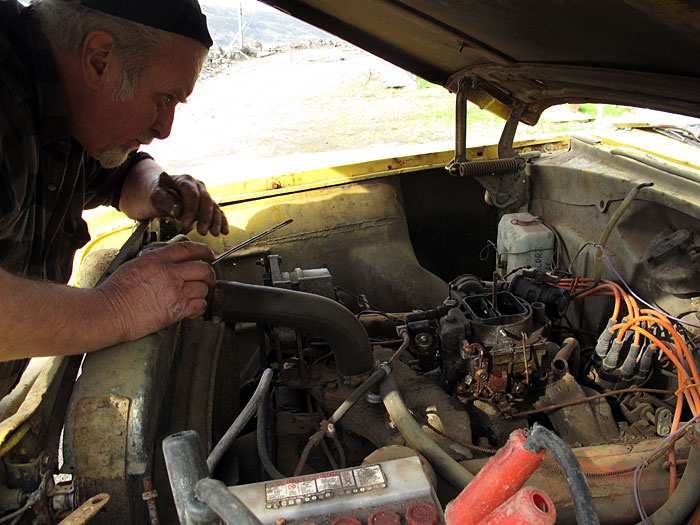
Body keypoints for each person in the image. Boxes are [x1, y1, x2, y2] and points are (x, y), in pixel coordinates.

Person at [0, 0, 229, 393]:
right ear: (99, 58)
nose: (164, 127)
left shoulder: (66, 107)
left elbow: (118, 176)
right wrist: (118, 308)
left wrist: (159, 186)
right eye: (163, 99)